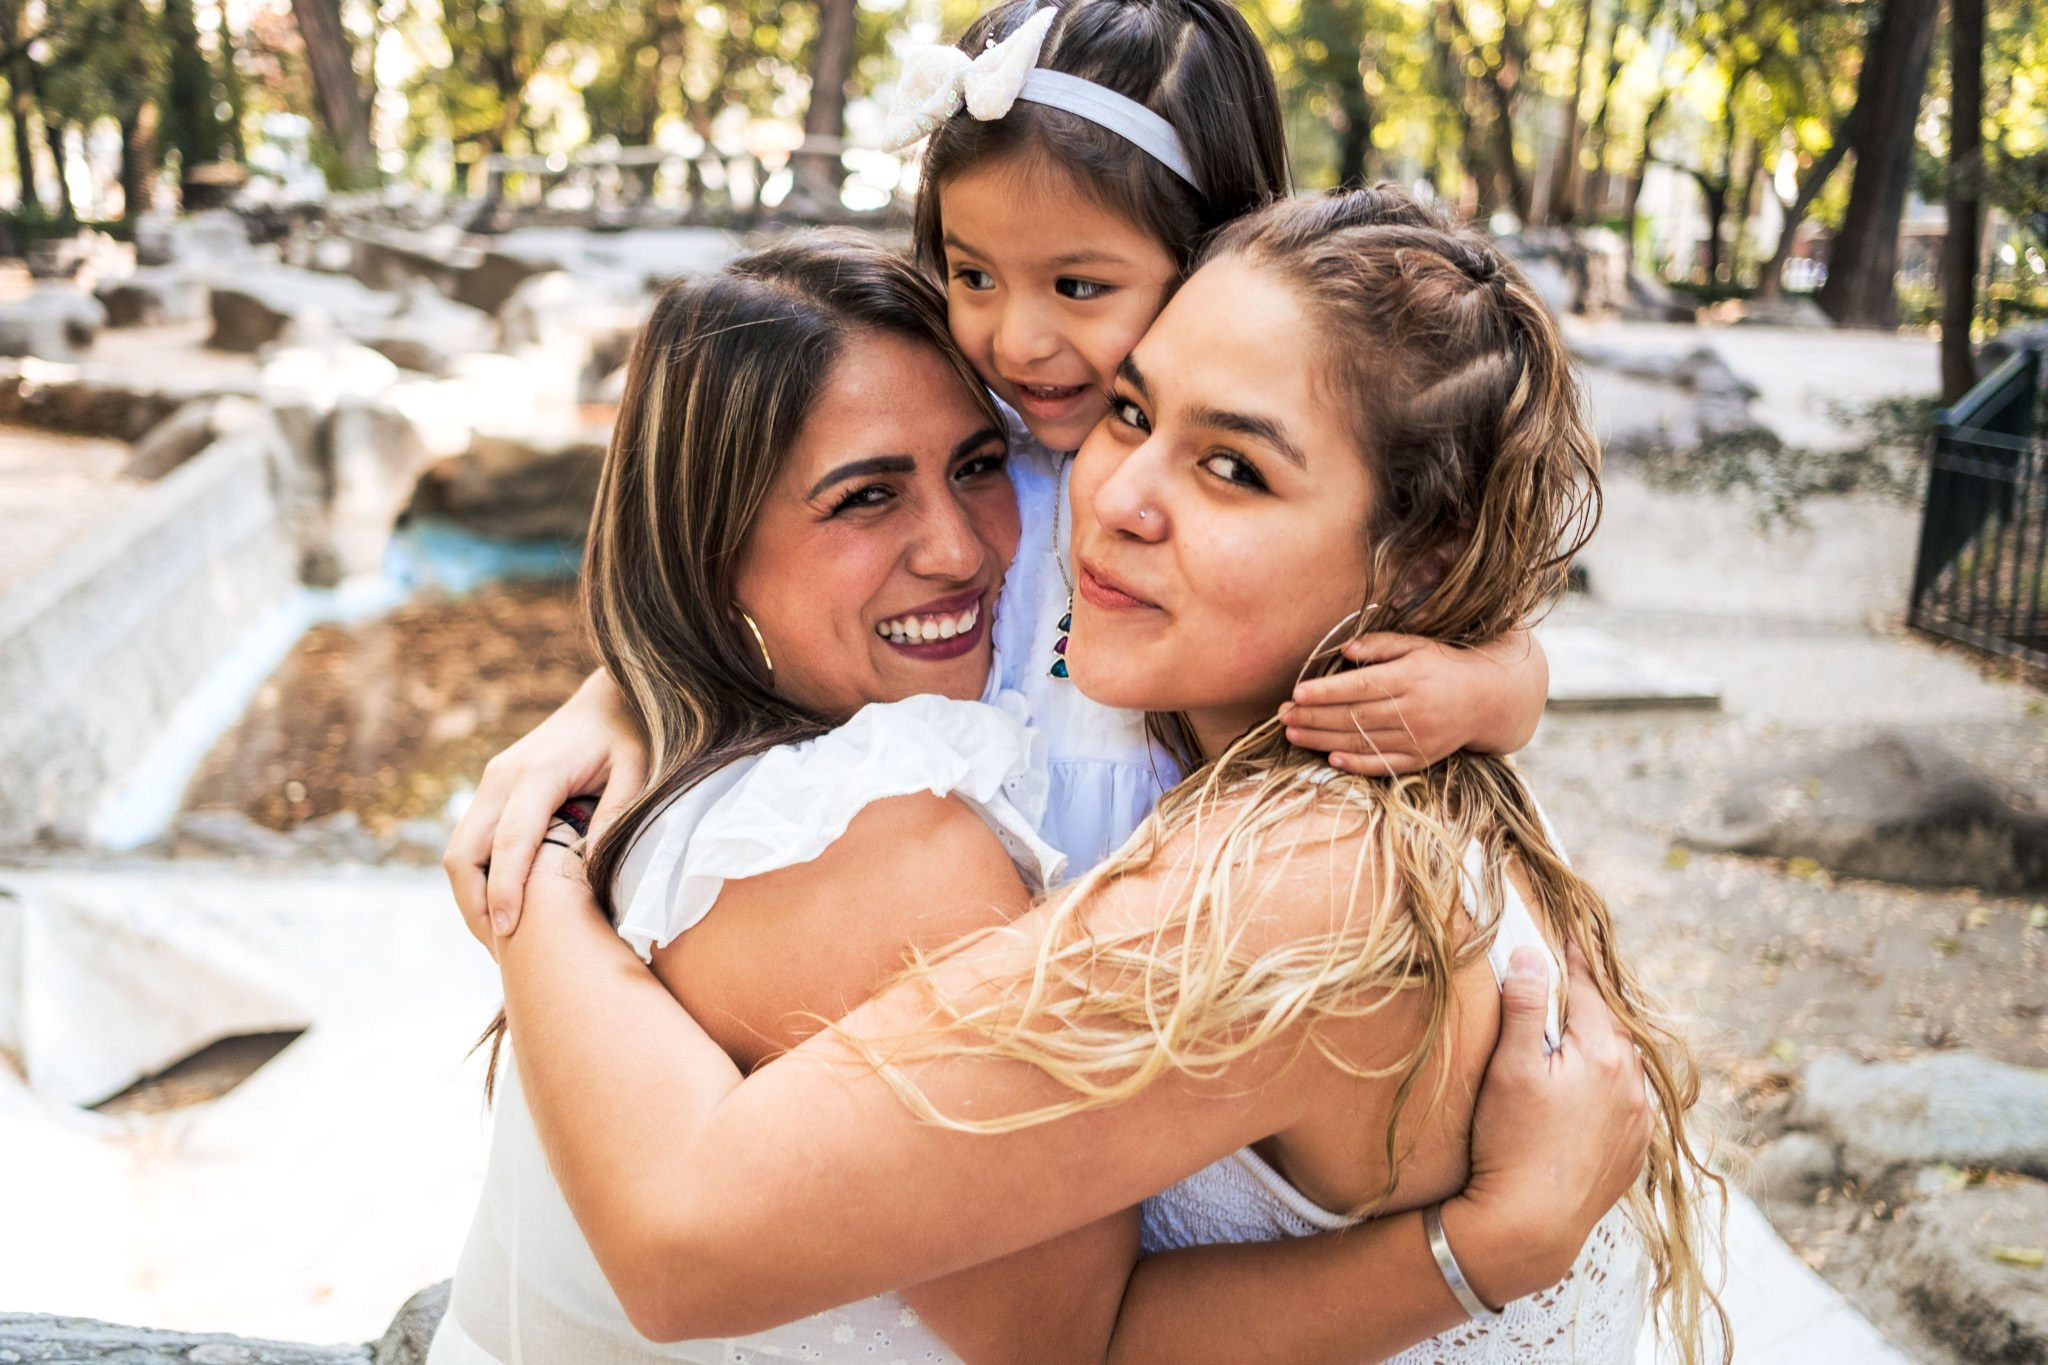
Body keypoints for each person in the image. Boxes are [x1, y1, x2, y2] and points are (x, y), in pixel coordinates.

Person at [482, 189, 1725, 1365]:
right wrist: (628, 681)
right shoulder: (1346, 753)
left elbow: (681, 1247)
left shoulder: (1289, 884)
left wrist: (528, 885)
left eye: (1232, 468)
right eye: (1129, 414)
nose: (1118, 499)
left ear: (1414, 558)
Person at [444, 0, 1553, 933]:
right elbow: (762, 571)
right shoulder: (969, 439)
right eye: (972, 275)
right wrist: (615, 700)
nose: (1015, 341)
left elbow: (1465, 609)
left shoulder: (1296, 502)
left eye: (1077, 287)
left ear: (1217, 254)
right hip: (960, 915)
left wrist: (1489, 691)